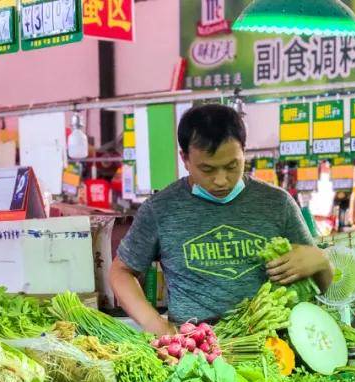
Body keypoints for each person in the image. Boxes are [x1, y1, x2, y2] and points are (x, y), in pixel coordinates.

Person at [109, 104, 332, 335]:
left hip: (272, 346)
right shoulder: (160, 209)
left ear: (244, 152)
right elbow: (121, 272)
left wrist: (321, 262)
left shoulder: (278, 204)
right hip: (195, 351)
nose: (221, 180)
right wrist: (155, 324)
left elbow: (325, 288)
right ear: (184, 158)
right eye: (207, 169)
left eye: (231, 166)